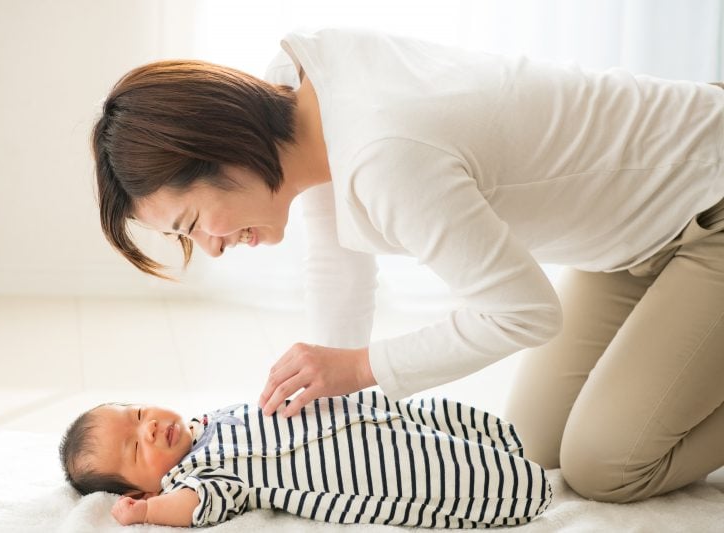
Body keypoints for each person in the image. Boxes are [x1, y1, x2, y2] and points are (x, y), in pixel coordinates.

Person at [90, 28, 724, 504]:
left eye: (192, 223)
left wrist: (359, 368)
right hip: (629, 241)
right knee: (532, 445)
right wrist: (330, 407)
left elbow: (526, 314)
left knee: (605, 469)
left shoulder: (386, 157)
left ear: (222, 151)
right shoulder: (298, 94)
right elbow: (339, 264)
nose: (212, 247)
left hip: (709, 199)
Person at [59, 392, 551, 527]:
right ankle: (521, 488)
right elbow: (197, 507)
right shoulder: (196, 476)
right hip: (368, 470)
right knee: (439, 470)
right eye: (136, 448)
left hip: (370, 415)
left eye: (138, 414)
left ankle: (506, 443)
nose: (148, 427)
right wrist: (147, 512)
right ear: (142, 488)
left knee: (433, 418)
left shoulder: (211, 420)